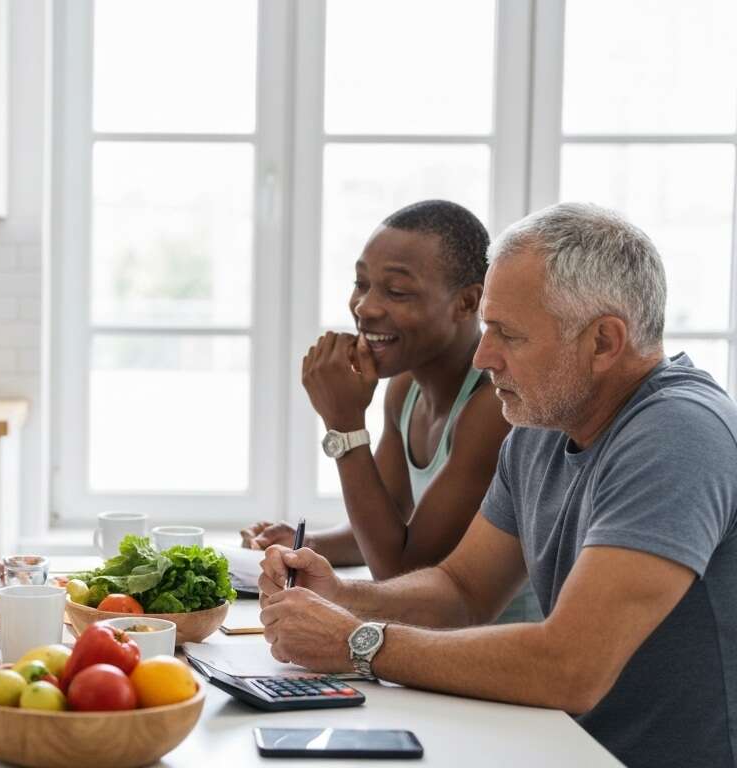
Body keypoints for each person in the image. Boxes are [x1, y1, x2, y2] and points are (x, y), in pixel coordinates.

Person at [259, 203, 737, 766]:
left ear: (604, 342)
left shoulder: (678, 433)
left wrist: (356, 643)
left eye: (508, 334)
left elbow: (570, 666)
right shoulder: (541, 422)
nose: (484, 356)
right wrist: (343, 599)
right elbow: (462, 591)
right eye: (487, 327)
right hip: (557, 744)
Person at [241, 200, 539, 622]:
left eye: (396, 291)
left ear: (469, 302)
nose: (365, 307)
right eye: (361, 284)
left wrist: (344, 427)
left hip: (490, 662)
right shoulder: (406, 390)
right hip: (434, 648)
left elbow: (399, 571)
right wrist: (305, 546)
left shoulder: (494, 407)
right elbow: (387, 529)